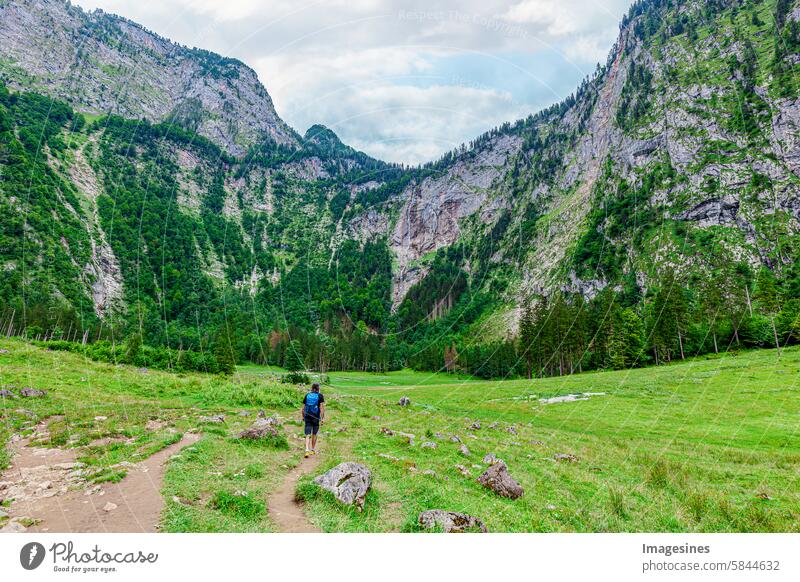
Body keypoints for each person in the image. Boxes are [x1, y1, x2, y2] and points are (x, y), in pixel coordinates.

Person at [301, 382, 325, 458]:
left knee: (307, 434)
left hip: (307, 416)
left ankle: (306, 450)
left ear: (312, 388)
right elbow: (321, 408)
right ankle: (312, 449)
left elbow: (303, 408)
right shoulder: (320, 396)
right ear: (318, 388)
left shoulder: (307, 395)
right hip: (316, 417)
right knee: (314, 433)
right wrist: (322, 418)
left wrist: (303, 417)